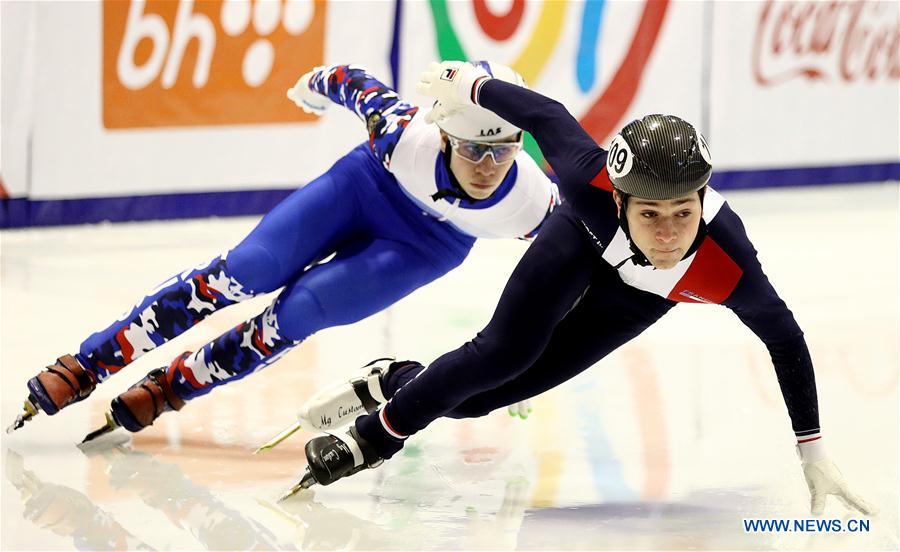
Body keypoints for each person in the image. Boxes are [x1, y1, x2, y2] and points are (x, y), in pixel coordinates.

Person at [289, 61, 872, 517]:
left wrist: (813, 452)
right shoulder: (587, 183)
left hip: (640, 297)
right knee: (501, 355)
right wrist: (469, 85)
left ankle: (392, 380)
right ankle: (370, 439)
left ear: (702, 200)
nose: (668, 234)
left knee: (474, 401)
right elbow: (544, 115)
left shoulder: (729, 266)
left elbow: (785, 339)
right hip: (581, 242)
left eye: (683, 214)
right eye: (650, 215)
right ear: (618, 200)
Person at [7, 62, 558, 438]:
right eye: (473, 149)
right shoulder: (404, 133)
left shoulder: (533, 205)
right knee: (247, 269)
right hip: (365, 188)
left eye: (503, 151)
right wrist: (310, 88)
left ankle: (175, 386)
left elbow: (570, 273)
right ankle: (90, 363)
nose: (488, 167)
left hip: (427, 245)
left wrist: (520, 362)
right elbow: (347, 80)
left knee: (301, 312)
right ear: (443, 136)